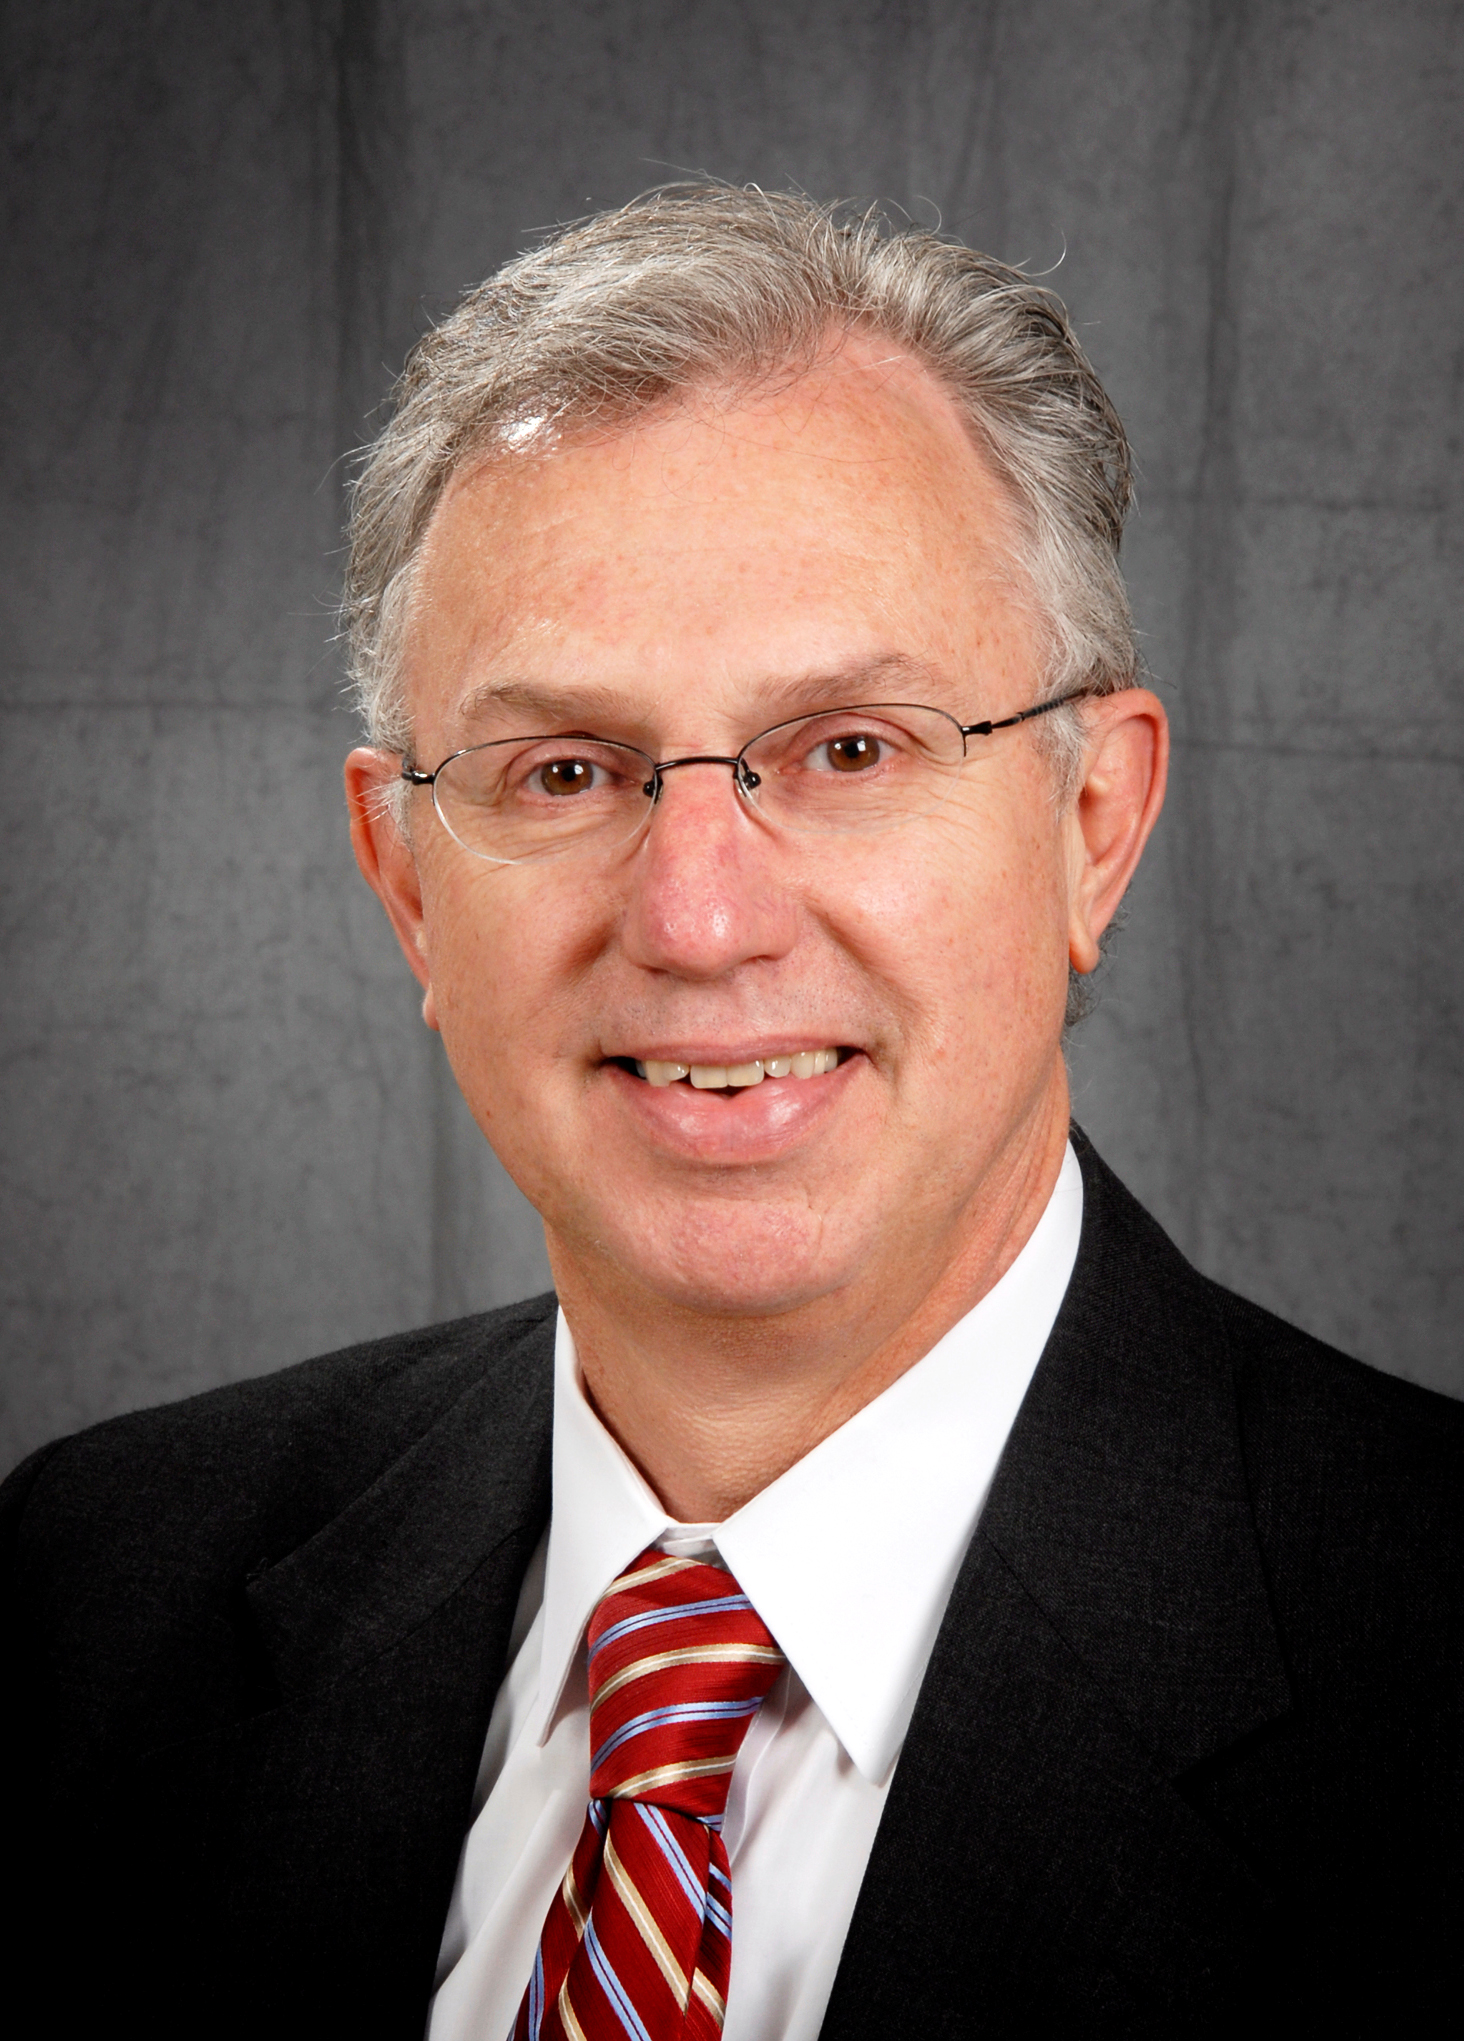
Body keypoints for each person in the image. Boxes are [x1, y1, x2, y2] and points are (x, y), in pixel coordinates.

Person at [3, 187, 1459, 2040]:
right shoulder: (93, 1599)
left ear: (1093, 824)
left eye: (849, 748)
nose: (699, 917)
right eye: (564, 769)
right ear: (406, 882)